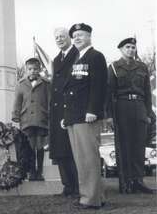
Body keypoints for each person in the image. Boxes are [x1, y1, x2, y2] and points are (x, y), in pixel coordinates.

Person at [62, 23, 107, 209]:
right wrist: (67, 116)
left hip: (86, 116)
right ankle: (95, 196)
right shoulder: (76, 58)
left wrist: (93, 110)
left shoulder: (95, 56)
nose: (77, 38)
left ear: (89, 36)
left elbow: (99, 86)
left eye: (81, 34)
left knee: (88, 159)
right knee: (81, 159)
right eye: (75, 36)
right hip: (75, 116)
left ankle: (90, 199)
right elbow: (72, 89)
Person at [106, 37, 156, 194]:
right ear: (121, 49)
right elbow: (109, 93)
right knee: (124, 146)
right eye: (127, 47)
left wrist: (148, 113)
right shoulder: (114, 67)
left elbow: (147, 92)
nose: (131, 50)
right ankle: (125, 182)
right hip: (122, 107)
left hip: (139, 107)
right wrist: (109, 116)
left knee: (139, 145)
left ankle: (138, 181)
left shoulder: (142, 67)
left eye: (133, 47)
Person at [49, 28, 79, 197]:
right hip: (57, 110)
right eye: (56, 37)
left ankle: (78, 185)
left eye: (62, 36)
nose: (59, 39)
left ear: (70, 38)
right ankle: (67, 185)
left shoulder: (77, 55)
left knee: (72, 149)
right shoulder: (56, 59)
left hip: (71, 108)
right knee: (61, 149)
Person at [12, 57, 50, 181]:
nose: (33, 71)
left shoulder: (46, 84)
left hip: (41, 119)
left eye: (35, 69)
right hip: (26, 119)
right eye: (30, 69)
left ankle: (40, 172)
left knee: (39, 146)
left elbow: (50, 101)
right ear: (26, 70)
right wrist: (15, 115)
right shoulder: (21, 84)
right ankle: (31, 172)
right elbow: (17, 101)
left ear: (39, 69)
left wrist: (50, 115)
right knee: (29, 146)